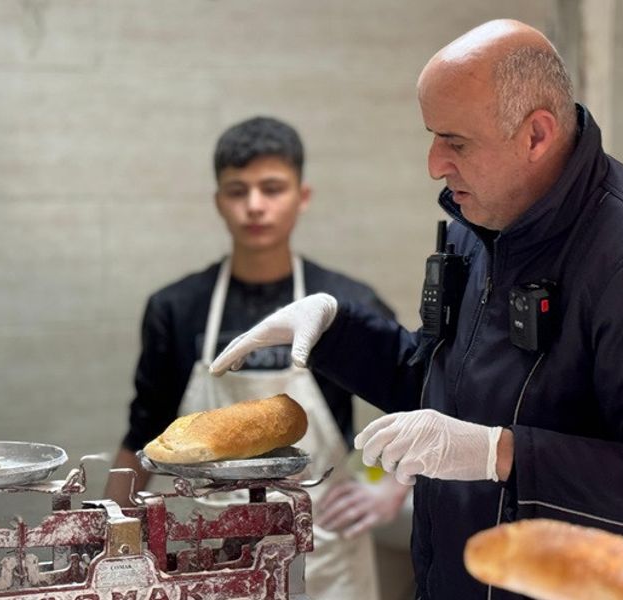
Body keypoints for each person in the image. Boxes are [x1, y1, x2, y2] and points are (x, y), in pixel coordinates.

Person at [210, 20, 623, 600]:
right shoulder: (485, 225)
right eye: (432, 136)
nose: (434, 164)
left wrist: (502, 453)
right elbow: (441, 389)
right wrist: (337, 332)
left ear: (536, 135)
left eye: (456, 142)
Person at [105, 116, 410, 600]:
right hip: (203, 552)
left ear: (302, 196)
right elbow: (144, 431)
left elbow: (417, 401)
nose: (254, 206)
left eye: (272, 188)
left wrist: (393, 488)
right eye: (237, 191)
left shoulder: (347, 307)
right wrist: (108, 539)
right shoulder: (177, 308)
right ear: (217, 201)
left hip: (323, 557)